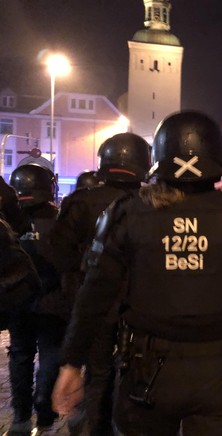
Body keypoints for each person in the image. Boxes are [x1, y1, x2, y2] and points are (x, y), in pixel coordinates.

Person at [52, 110, 222, 435]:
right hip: (220, 374)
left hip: (147, 371)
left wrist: (72, 362)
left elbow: (94, 293)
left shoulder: (126, 215)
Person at [49, 133, 151, 435]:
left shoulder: (80, 202)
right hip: (137, 304)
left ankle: (97, 425)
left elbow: (58, 252)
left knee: (98, 372)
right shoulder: (151, 205)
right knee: (136, 372)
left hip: (95, 302)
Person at [7, 164, 66, 435]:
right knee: (51, 352)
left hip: (19, 301)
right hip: (51, 300)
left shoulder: (9, 221)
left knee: (20, 354)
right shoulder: (60, 219)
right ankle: (44, 406)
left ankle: (20, 415)